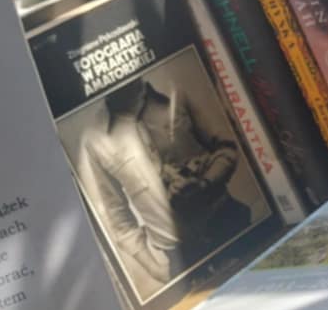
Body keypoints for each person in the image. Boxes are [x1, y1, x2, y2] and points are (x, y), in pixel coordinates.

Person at [77, 75, 256, 297]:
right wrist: (155, 268)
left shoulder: (176, 92)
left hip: (229, 223)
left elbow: (226, 147)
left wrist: (205, 183)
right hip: (182, 260)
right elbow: (117, 217)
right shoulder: (94, 139)